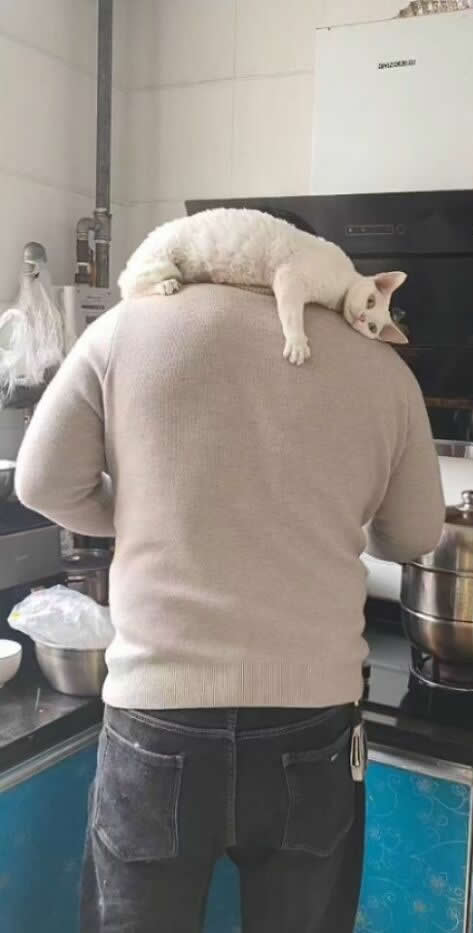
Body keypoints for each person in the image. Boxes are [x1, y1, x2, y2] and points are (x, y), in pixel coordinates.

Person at [15, 283, 445, 933]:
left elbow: (42, 482)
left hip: (157, 721)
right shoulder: (378, 363)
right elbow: (412, 534)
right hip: (311, 723)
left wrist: (144, 517)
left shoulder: (124, 330)